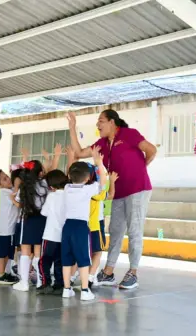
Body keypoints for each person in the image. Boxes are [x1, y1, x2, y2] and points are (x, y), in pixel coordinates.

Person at [67, 109, 157, 290]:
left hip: (138, 189)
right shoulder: (101, 143)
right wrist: (72, 127)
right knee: (115, 231)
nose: (97, 125)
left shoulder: (129, 134)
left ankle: (133, 272)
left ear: (112, 122)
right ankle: (108, 273)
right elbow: (78, 153)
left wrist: (141, 167)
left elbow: (151, 150)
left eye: (101, 121)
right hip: (118, 192)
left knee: (134, 231)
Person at [12, 144, 62, 292]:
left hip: (27, 220)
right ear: (40, 173)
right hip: (42, 220)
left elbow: (19, 204)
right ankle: (41, 281)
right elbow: (52, 172)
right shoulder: (45, 184)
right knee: (39, 253)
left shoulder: (24, 187)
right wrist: (56, 156)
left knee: (25, 252)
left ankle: (24, 283)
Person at [61, 146, 107, 301]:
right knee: (83, 258)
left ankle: (66, 289)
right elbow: (103, 183)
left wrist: (71, 159)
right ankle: (85, 290)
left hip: (67, 226)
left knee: (67, 258)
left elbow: (70, 174)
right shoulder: (88, 189)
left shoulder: (67, 188)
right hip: (81, 227)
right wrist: (98, 163)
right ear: (87, 178)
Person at [37, 169, 68, 295]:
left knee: (44, 260)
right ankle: (59, 284)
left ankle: (46, 283)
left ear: (51, 186)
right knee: (59, 261)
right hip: (63, 236)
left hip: (50, 235)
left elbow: (43, 212)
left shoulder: (51, 196)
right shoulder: (68, 195)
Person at [0, 168, 20, 285]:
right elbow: (16, 196)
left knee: (8, 252)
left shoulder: (9, 190)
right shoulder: (5, 192)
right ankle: (0, 275)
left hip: (11, 228)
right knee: (1, 253)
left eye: (7, 176)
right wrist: (17, 183)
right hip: (4, 229)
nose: (8, 179)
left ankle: (5, 273)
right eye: (4, 179)